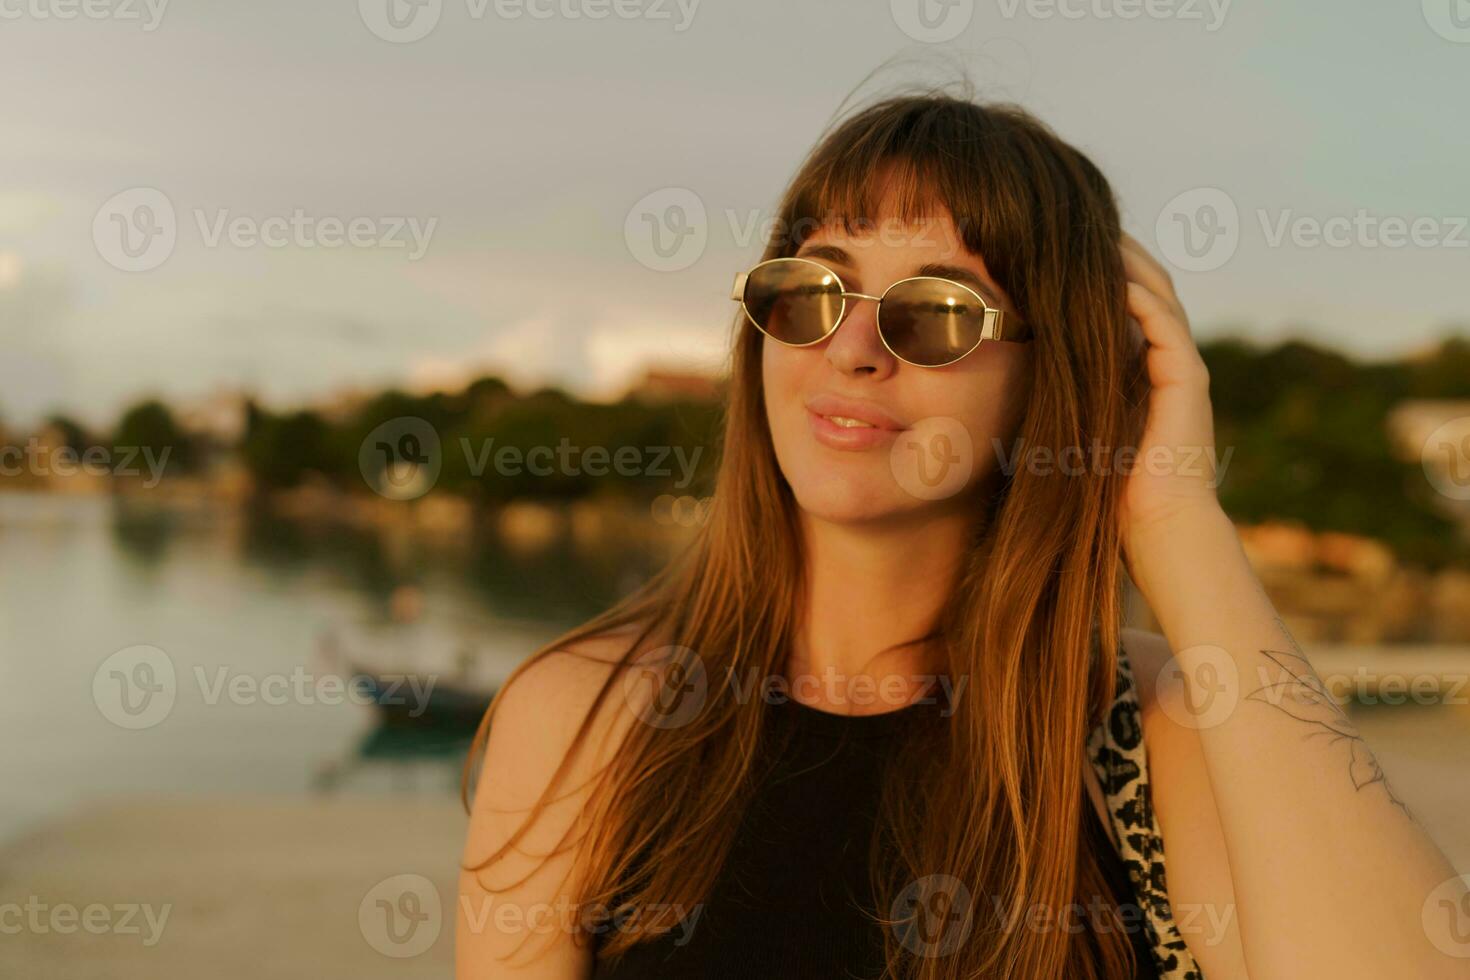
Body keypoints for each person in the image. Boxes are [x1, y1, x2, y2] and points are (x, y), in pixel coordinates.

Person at [456, 90, 1466, 979]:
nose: (851, 348)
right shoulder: (591, 719)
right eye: (810, 294)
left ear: (1050, 378)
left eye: (936, 312)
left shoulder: (1151, 735)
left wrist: (1175, 519)